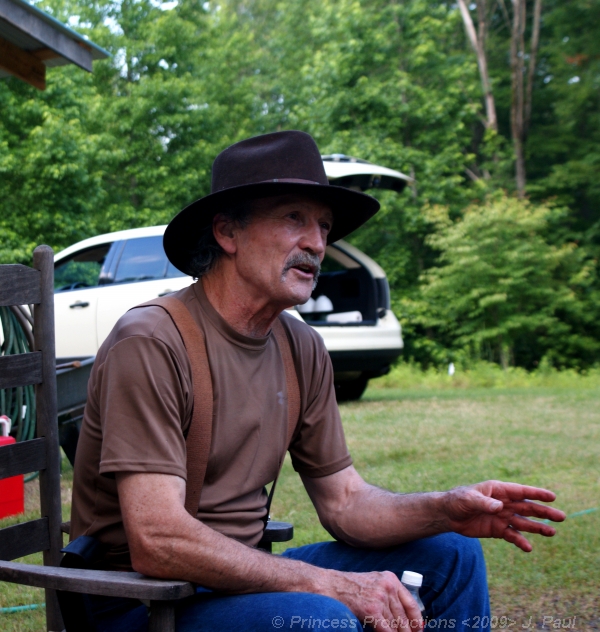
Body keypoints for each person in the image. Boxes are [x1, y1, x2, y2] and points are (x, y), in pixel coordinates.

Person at [69, 131, 565, 632]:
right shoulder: (153, 340)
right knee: (320, 617)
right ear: (227, 232)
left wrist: (444, 509)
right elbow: (158, 541)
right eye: (294, 218)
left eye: (324, 226)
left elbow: (345, 502)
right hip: (138, 603)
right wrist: (327, 584)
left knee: (454, 557)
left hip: (236, 583)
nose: (317, 243)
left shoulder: (300, 347)